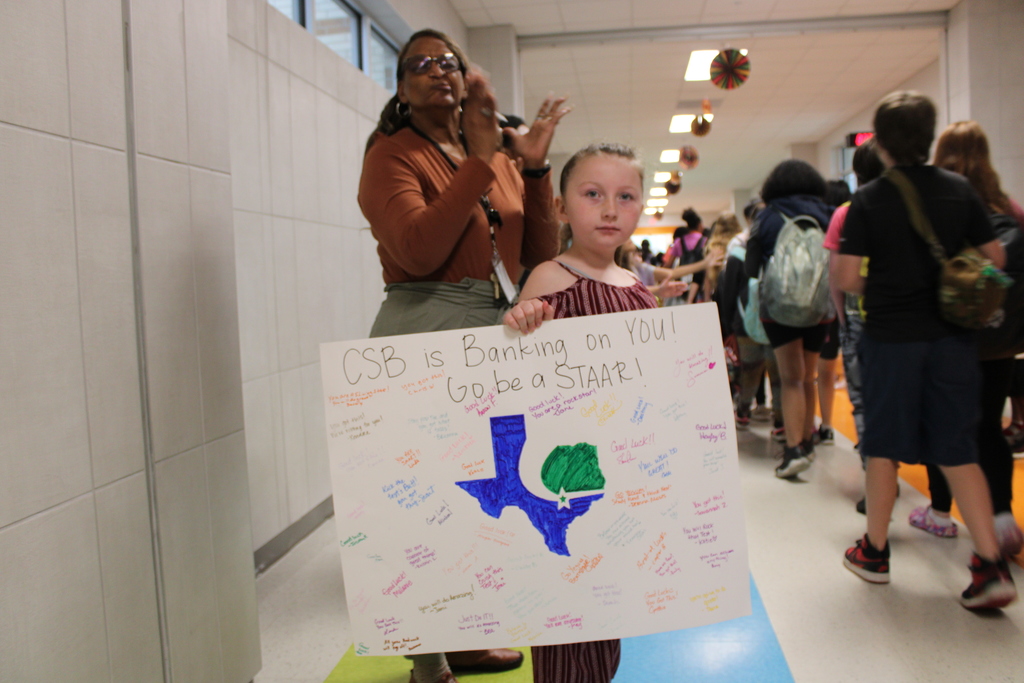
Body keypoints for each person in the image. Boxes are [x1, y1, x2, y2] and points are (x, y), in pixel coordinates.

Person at [358, 28, 571, 683]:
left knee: (487, 489)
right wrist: (481, 161)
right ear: (400, 88)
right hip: (422, 327)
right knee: (425, 498)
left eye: (447, 62)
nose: (436, 72)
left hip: (488, 330)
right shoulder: (390, 156)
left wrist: (531, 168)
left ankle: (470, 633)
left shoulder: (494, 153)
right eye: (418, 65)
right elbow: (419, 249)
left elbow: (537, 252)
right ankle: (427, 657)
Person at [836, 92, 1016, 609]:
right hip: (953, 342)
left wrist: (890, 286)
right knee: (959, 449)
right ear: (930, 134)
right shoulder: (960, 190)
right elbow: (995, 256)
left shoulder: (869, 199)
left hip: (892, 341)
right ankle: (989, 565)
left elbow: (848, 278)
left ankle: (874, 552)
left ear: (883, 143)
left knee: (884, 449)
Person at [502, 142, 654, 682]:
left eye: (625, 196)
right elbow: (512, 358)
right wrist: (519, 319)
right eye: (593, 195)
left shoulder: (638, 289)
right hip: (564, 473)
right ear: (563, 208)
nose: (610, 209)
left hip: (621, 474)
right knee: (567, 616)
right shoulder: (550, 277)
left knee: (606, 618)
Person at [910, 120, 1024, 556]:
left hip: (947, 336)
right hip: (998, 338)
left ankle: (940, 512)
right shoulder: (1007, 208)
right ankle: (1002, 515)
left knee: (944, 427)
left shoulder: (938, 204)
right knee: (989, 428)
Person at [744, 160, 834, 478]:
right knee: (807, 376)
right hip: (821, 306)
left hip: (779, 308)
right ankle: (807, 441)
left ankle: (793, 449)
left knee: (791, 378)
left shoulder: (766, 217)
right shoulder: (828, 213)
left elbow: (750, 268)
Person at [821, 138, 885, 513]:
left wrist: (844, 319)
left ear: (856, 173)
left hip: (861, 314)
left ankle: (876, 484)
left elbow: (836, 276)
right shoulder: (904, 205)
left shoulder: (847, 212)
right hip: (905, 314)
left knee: (863, 402)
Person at [813, 180, 852, 446]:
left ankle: (824, 426)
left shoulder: (821, 227)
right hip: (855, 309)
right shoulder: (856, 218)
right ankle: (833, 426)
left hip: (824, 309)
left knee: (821, 372)